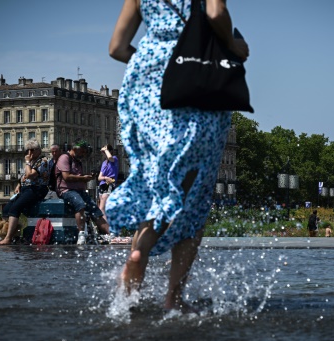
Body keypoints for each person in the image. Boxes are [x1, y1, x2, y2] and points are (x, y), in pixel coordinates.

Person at [106, 0, 249, 312]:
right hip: (194, 85)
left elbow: (116, 47)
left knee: (158, 186)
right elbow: (215, 13)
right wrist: (232, 43)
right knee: (193, 196)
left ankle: (133, 276)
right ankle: (173, 297)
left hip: (145, 92)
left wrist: (152, 64)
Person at [0, 139, 50, 245]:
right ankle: (14, 235)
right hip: (26, 189)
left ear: (38, 150)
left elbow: (30, 175)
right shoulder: (32, 161)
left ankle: (8, 238)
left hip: (36, 189)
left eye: (32, 150)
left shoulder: (43, 161)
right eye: (27, 150)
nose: (29, 153)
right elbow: (24, 176)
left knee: (15, 208)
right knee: (6, 209)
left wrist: (28, 162)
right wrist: (19, 184)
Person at [55, 138, 110, 245]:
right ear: (76, 149)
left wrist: (86, 178)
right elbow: (66, 177)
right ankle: (81, 234)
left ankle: (110, 234)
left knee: (95, 210)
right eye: (82, 152)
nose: (83, 154)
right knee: (80, 204)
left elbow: (78, 176)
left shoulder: (78, 161)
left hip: (79, 190)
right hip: (66, 190)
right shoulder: (64, 158)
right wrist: (83, 178)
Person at [97, 144, 119, 223]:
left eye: (105, 152)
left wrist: (105, 149)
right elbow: (99, 177)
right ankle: (105, 227)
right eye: (103, 152)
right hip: (102, 184)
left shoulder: (115, 159)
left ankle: (107, 229)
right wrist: (105, 178)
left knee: (102, 208)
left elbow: (110, 158)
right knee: (102, 208)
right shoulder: (104, 163)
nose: (104, 153)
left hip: (109, 184)